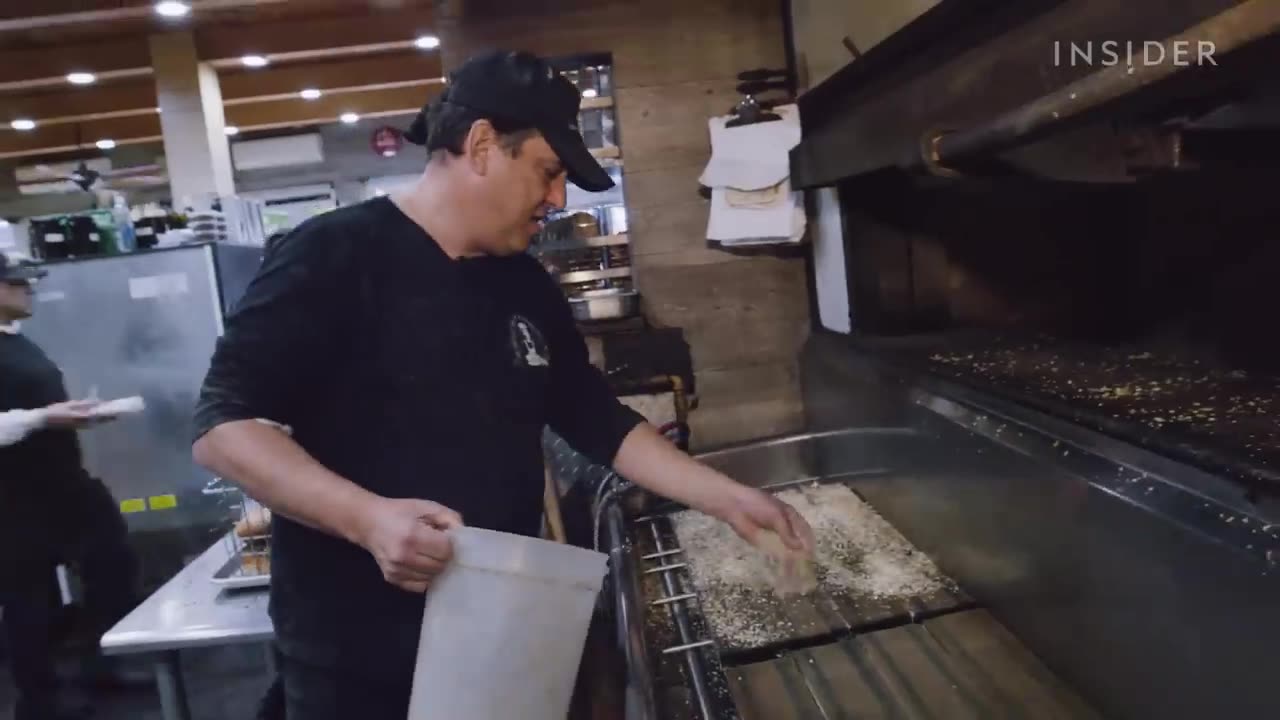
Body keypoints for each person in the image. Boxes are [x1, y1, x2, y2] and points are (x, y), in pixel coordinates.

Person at [191, 50, 816, 720]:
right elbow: (225, 428)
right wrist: (367, 519)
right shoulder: (332, 254)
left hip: (494, 634)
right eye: (548, 173)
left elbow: (590, 414)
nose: (557, 199)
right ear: (483, 145)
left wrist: (723, 498)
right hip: (360, 661)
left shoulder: (522, 281)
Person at [0, 254, 145, 720]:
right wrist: (46, 417)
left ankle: (97, 664)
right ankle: (38, 702)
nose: (29, 291)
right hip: (14, 494)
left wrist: (79, 414)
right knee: (29, 597)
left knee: (112, 561)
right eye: (18, 284)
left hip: (63, 481)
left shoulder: (18, 342)